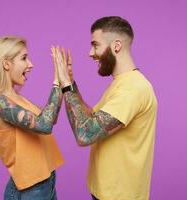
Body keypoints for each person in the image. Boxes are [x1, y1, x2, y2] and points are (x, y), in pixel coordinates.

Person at [53, 16, 158, 200]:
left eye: (95, 45)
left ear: (116, 46)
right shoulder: (121, 83)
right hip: (106, 193)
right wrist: (71, 83)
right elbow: (91, 118)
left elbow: (85, 134)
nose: (90, 53)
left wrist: (65, 87)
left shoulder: (132, 88)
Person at [0, 36, 64, 200]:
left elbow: (50, 118)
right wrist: (56, 82)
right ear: (6, 64)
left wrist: (61, 84)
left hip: (45, 181)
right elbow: (45, 125)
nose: (30, 64)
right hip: (30, 189)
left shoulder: (15, 98)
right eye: (24, 58)